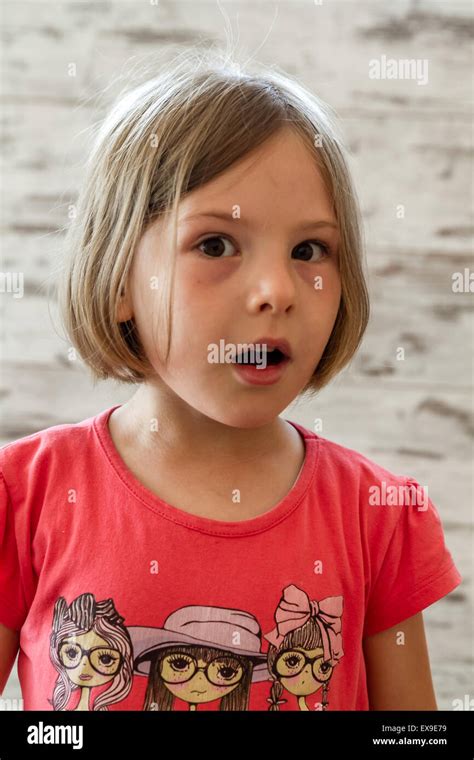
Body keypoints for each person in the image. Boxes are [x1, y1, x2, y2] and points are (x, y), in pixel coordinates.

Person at [0, 46, 462, 710]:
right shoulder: (21, 498)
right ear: (121, 277)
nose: (277, 290)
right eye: (215, 245)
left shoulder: (379, 518)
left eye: (310, 251)